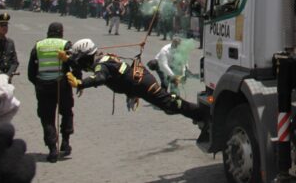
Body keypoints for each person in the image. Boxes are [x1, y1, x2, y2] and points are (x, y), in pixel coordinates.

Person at [64, 38, 206, 122]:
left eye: (81, 60)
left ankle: (202, 114)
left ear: (87, 56)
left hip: (143, 83)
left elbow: (99, 78)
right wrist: (68, 60)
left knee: (171, 105)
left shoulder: (101, 65)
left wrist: (81, 83)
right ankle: (197, 113)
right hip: (138, 83)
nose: (81, 64)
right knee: (169, 105)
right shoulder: (100, 60)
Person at [27, 22, 76, 162]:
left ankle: (52, 149)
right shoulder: (66, 45)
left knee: (47, 118)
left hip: (43, 86)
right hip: (62, 85)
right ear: (61, 32)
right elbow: (74, 63)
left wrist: (38, 83)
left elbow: (31, 72)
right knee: (66, 112)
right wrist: (77, 81)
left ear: (48, 32)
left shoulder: (38, 46)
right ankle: (65, 143)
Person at [0, 13, 18, 81]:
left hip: (6, 81)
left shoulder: (10, 42)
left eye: (6, 25)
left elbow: (15, 62)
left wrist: (8, 75)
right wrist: (0, 74)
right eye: (1, 25)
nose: (5, 27)